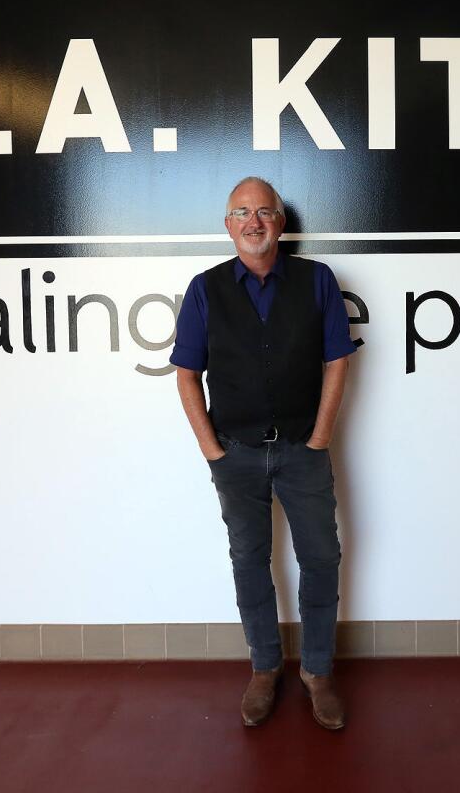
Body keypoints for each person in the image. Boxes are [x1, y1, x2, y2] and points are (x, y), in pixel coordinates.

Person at [171, 176, 356, 730]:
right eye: (242, 212)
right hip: (237, 455)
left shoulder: (317, 280)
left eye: (265, 212)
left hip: (304, 451)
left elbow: (337, 361)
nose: (254, 222)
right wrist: (214, 454)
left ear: (281, 222)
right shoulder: (206, 289)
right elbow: (186, 376)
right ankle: (264, 667)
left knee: (321, 558)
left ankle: (318, 672)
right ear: (228, 225)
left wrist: (320, 439)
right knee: (249, 562)